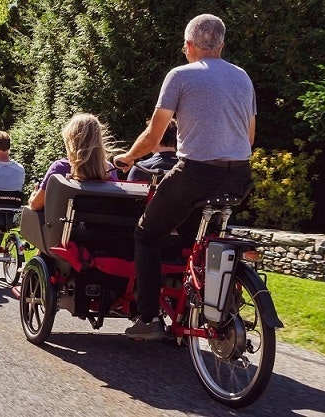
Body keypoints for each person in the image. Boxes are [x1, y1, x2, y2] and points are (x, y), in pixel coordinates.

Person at [114, 14, 255, 341]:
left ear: (190, 46)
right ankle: (217, 303)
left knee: (147, 234)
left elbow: (153, 136)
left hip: (196, 173)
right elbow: (248, 138)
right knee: (200, 238)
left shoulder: (180, 75)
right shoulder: (243, 78)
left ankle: (148, 319)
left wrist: (128, 158)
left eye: (184, 45)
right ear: (221, 45)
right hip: (240, 175)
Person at [28, 112, 121, 211]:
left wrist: (33, 195)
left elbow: (36, 205)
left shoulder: (60, 167)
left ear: (71, 141)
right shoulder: (109, 169)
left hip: (68, 225)